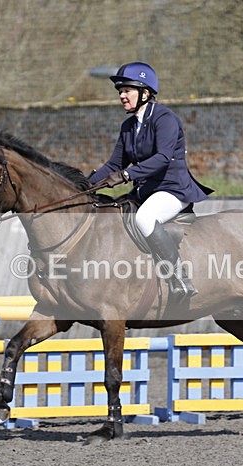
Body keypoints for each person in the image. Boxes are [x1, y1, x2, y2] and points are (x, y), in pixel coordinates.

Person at [89, 61, 212, 303]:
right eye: (120, 91)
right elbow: (114, 164)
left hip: (172, 189)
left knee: (144, 218)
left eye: (127, 90)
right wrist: (84, 185)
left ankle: (179, 279)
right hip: (146, 191)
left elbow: (163, 158)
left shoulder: (165, 118)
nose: (122, 96)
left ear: (145, 92)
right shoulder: (128, 126)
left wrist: (126, 176)